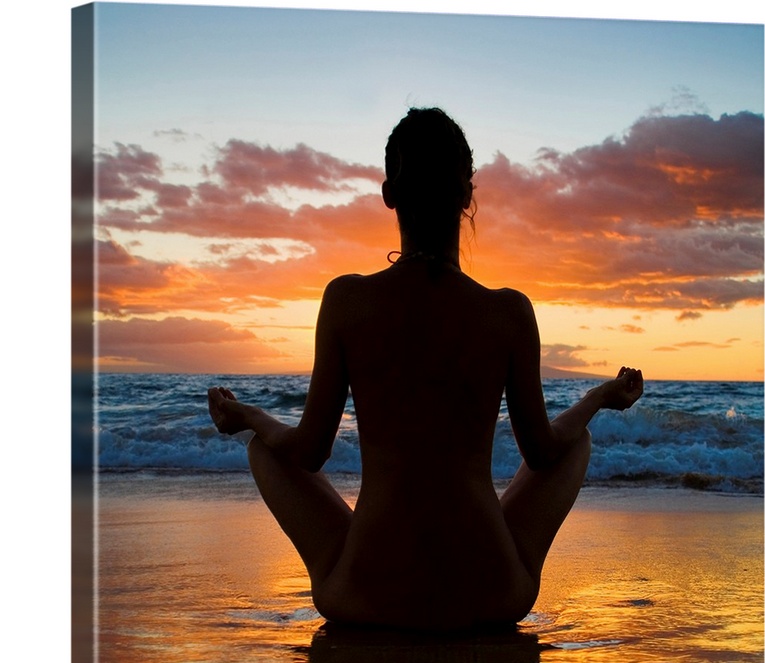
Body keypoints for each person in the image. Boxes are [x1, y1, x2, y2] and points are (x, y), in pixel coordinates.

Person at [208, 108, 643, 630]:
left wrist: (251, 416)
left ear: (390, 193)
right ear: (467, 194)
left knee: (266, 449)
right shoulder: (508, 312)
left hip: (368, 596)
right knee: (577, 441)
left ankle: (358, 563)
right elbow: (545, 452)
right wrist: (597, 398)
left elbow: (308, 452)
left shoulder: (347, 301)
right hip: (490, 596)